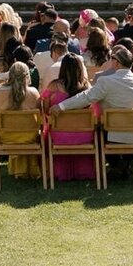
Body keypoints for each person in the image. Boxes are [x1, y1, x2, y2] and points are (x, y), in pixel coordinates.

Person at [47, 45, 133, 144]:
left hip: (113, 134)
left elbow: (86, 97)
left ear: (116, 62)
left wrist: (61, 106)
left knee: (98, 129)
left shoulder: (106, 81)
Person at [42, 53, 96, 182]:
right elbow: (93, 111)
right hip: (84, 135)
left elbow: (45, 110)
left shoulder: (53, 87)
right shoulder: (87, 88)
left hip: (60, 135)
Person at [0, 60, 41, 178]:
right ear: (27, 76)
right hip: (30, 137)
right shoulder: (34, 92)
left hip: (6, 137)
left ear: (9, 74)